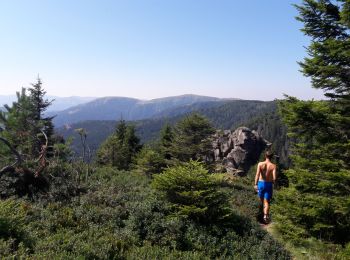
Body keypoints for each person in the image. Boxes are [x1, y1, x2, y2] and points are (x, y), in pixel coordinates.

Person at [254, 151, 277, 224]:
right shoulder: (273, 166)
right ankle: (265, 215)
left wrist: (255, 184)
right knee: (266, 201)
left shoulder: (260, 164)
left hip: (261, 183)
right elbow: (275, 178)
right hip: (268, 184)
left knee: (261, 200)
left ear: (265, 156)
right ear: (272, 157)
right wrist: (273, 183)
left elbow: (257, 174)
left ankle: (259, 216)